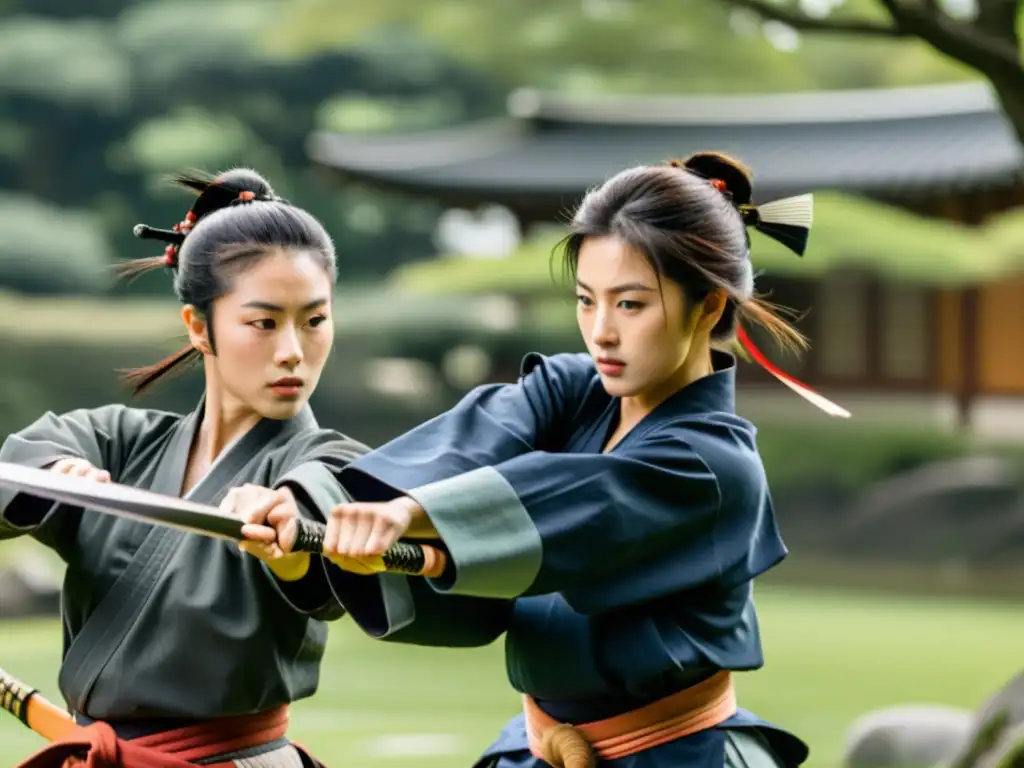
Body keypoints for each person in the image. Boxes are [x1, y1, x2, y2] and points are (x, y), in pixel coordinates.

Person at [258, 151, 851, 768]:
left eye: (630, 304)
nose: (601, 332)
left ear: (707, 306)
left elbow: (566, 500)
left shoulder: (711, 465)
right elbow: (473, 442)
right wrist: (309, 515)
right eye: (586, 300)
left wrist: (409, 516)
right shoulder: (572, 392)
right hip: (534, 751)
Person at [0, 168, 367, 768]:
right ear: (200, 326)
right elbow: (23, 459)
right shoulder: (121, 442)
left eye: (315, 320)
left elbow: (329, 498)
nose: (293, 351)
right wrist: (54, 478)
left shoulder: (324, 459)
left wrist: (291, 527)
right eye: (264, 322)